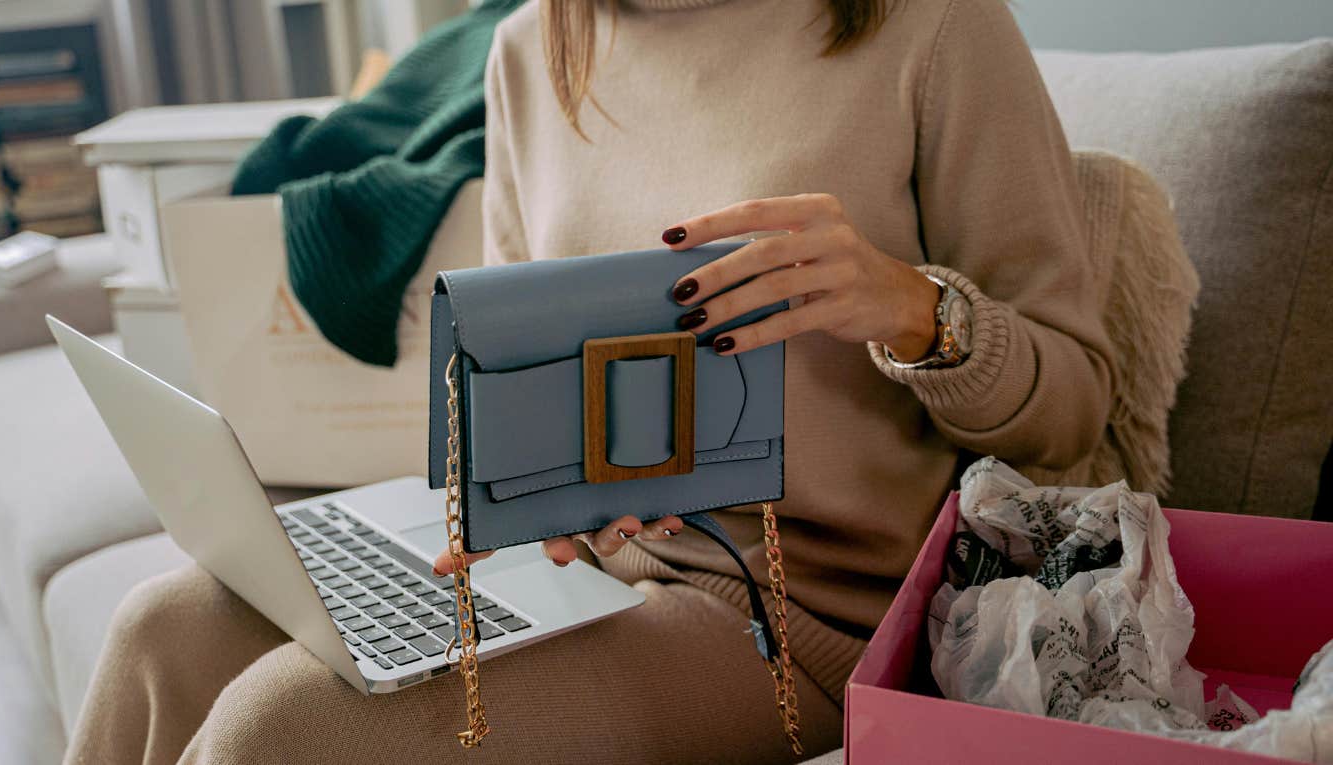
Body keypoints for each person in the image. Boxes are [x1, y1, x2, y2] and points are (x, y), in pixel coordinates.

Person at [65, 0, 1112, 762]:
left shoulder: (935, 30)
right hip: (581, 567)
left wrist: (909, 307)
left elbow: (1074, 407)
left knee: (279, 730)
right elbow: (513, 360)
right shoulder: (535, 45)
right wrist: (513, 487)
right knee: (160, 628)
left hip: (808, 615)